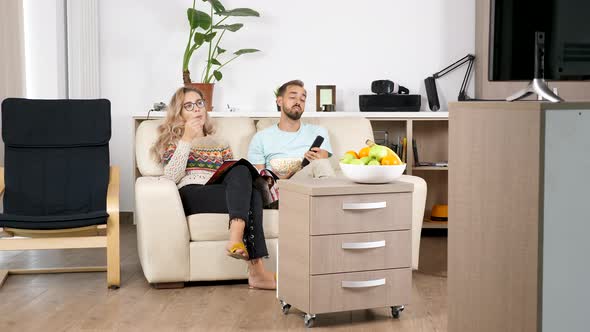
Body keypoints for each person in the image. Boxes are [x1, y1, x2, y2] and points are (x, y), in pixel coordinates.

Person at [151, 87, 276, 290]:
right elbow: (172, 177)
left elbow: (235, 178)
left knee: (243, 173)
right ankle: (257, 270)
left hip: (219, 190)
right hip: (191, 192)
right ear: (179, 112)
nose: (196, 109)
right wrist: (187, 139)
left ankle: (238, 242)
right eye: (188, 106)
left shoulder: (220, 142)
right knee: (250, 193)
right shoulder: (173, 141)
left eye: (199, 103)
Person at [248, 80, 335, 179]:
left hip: (311, 184)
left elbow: (323, 163)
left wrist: (313, 159)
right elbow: (259, 179)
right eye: (293, 97)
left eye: (302, 99)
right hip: (278, 186)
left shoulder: (319, 132)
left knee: (321, 163)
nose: (298, 102)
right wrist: (282, 179)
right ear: (279, 101)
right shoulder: (260, 138)